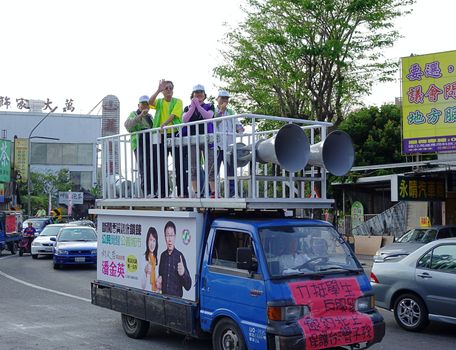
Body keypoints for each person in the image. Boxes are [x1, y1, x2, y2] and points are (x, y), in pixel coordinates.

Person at [149, 80, 187, 197]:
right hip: (161, 135)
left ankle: (182, 192)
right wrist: (158, 90)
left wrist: (164, 123)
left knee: (179, 164)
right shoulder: (159, 101)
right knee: (160, 164)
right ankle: (163, 192)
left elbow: (174, 115)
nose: (169, 90)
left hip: (175, 134)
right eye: (166, 88)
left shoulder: (178, 101)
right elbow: (150, 102)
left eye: (171, 88)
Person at [182, 84, 215, 197]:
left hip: (208, 139)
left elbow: (208, 117)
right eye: (196, 92)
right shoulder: (187, 108)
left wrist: (198, 106)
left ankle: (213, 192)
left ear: (204, 95)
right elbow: (185, 120)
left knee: (210, 165)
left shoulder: (210, 105)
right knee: (193, 167)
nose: (199, 94)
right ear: (192, 95)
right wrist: (193, 107)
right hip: (192, 140)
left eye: (201, 92)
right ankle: (196, 193)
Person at [214, 90, 244, 197]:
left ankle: (232, 193)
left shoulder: (231, 112)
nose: (224, 100)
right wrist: (220, 112)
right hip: (216, 146)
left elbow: (237, 124)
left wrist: (240, 129)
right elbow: (213, 123)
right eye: (222, 98)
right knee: (214, 171)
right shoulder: (212, 111)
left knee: (231, 171)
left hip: (229, 147)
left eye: (226, 98)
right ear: (217, 99)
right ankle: (214, 193)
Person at [124, 95, 154, 197]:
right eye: (143, 104)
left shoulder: (150, 117)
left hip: (150, 143)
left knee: (152, 167)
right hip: (139, 143)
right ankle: (147, 191)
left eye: (147, 104)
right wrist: (140, 116)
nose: (145, 106)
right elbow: (128, 125)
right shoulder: (134, 114)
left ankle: (154, 190)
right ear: (138, 105)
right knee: (144, 168)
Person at [158, 221, 192, 297]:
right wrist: (159, 282)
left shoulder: (180, 256)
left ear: (175, 236)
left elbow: (188, 286)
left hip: (176, 302)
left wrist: (183, 273)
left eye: (172, 235)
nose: (169, 239)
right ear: (165, 237)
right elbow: (160, 276)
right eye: (167, 235)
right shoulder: (162, 256)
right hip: (164, 299)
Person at [141, 227, 160, 292]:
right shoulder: (143, 258)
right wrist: (145, 272)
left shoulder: (157, 258)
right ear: (147, 241)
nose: (152, 243)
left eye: (154, 241)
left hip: (156, 293)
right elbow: (142, 286)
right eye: (150, 240)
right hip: (147, 294)